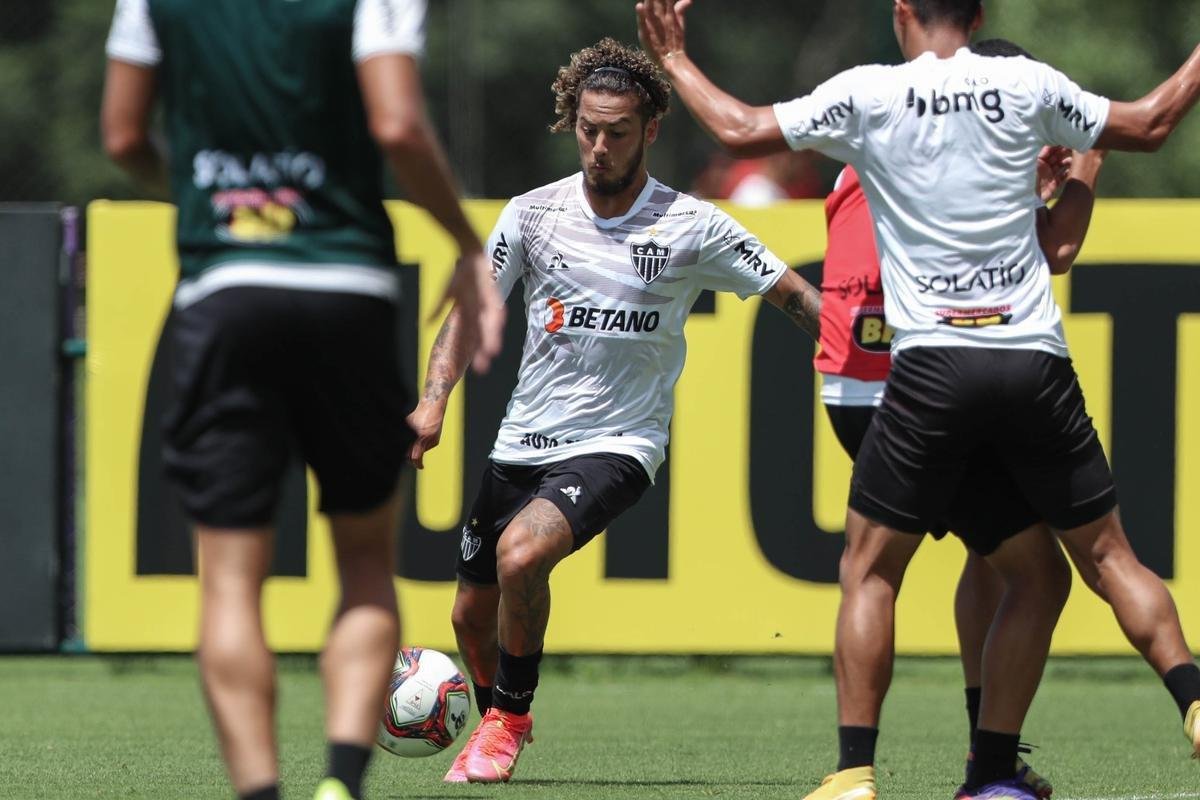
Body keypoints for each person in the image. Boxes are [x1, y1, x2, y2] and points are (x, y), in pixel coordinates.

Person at [637, 1, 1200, 798]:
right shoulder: (1024, 82)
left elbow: (737, 129)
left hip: (933, 367)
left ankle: (855, 773)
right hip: (1032, 359)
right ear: (976, 12)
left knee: (872, 571)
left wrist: (678, 62)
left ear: (902, 11)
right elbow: (1149, 123)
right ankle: (1183, 706)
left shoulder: (872, 94)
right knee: (1090, 561)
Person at [101, 1, 504, 799]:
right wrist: (465, 242)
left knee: (226, 582)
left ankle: (260, 791)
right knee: (362, 563)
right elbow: (397, 126)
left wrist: (189, 192)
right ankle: (340, 785)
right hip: (345, 294)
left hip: (224, 294)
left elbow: (121, 136)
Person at [404, 37, 823, 784]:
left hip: (621, 442)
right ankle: (500, 714)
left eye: (618, 132)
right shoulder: (532, 216)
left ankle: (505, 722)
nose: (601, 146)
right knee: (471, 615)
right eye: (589, 129)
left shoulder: (693, 225)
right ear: (573, 122)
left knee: (522, 554)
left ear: (650, 130)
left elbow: (793, 295)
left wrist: (873, 358)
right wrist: (433, 403)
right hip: (522, 441)